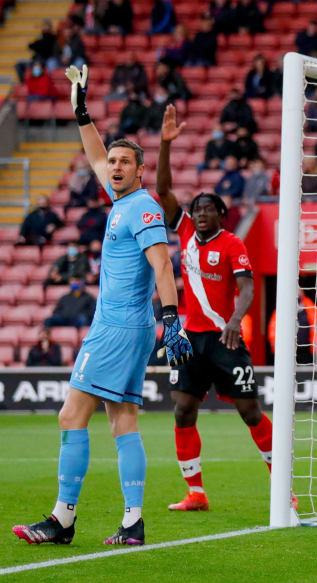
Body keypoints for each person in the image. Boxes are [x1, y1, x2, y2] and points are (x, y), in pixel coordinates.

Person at [12, 65, 193, 548]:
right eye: (110, 161)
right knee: (123, 421)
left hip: (116, 328)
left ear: (138, 168)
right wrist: (82, 112)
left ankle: (62, 520)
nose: (112, 166)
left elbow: (162, 265)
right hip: (127, 329)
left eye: (122, 162)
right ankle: (133, 522)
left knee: (71, 416)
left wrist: (171, 318)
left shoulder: (142, 208)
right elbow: (92, 153)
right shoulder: (123, 200)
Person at [154, 105, 287, 512]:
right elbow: (162, 192)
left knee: (249, 411)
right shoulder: (187, 233)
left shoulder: (233, 244)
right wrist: (164, 145)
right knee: (182, 408)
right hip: (189, 339)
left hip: (224, 338)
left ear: (221, 214)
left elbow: (246, 288)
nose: (200, 214)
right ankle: (195, 492)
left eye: (208, 209)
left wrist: (234, 320)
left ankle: (282, 486)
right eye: (196, 209)